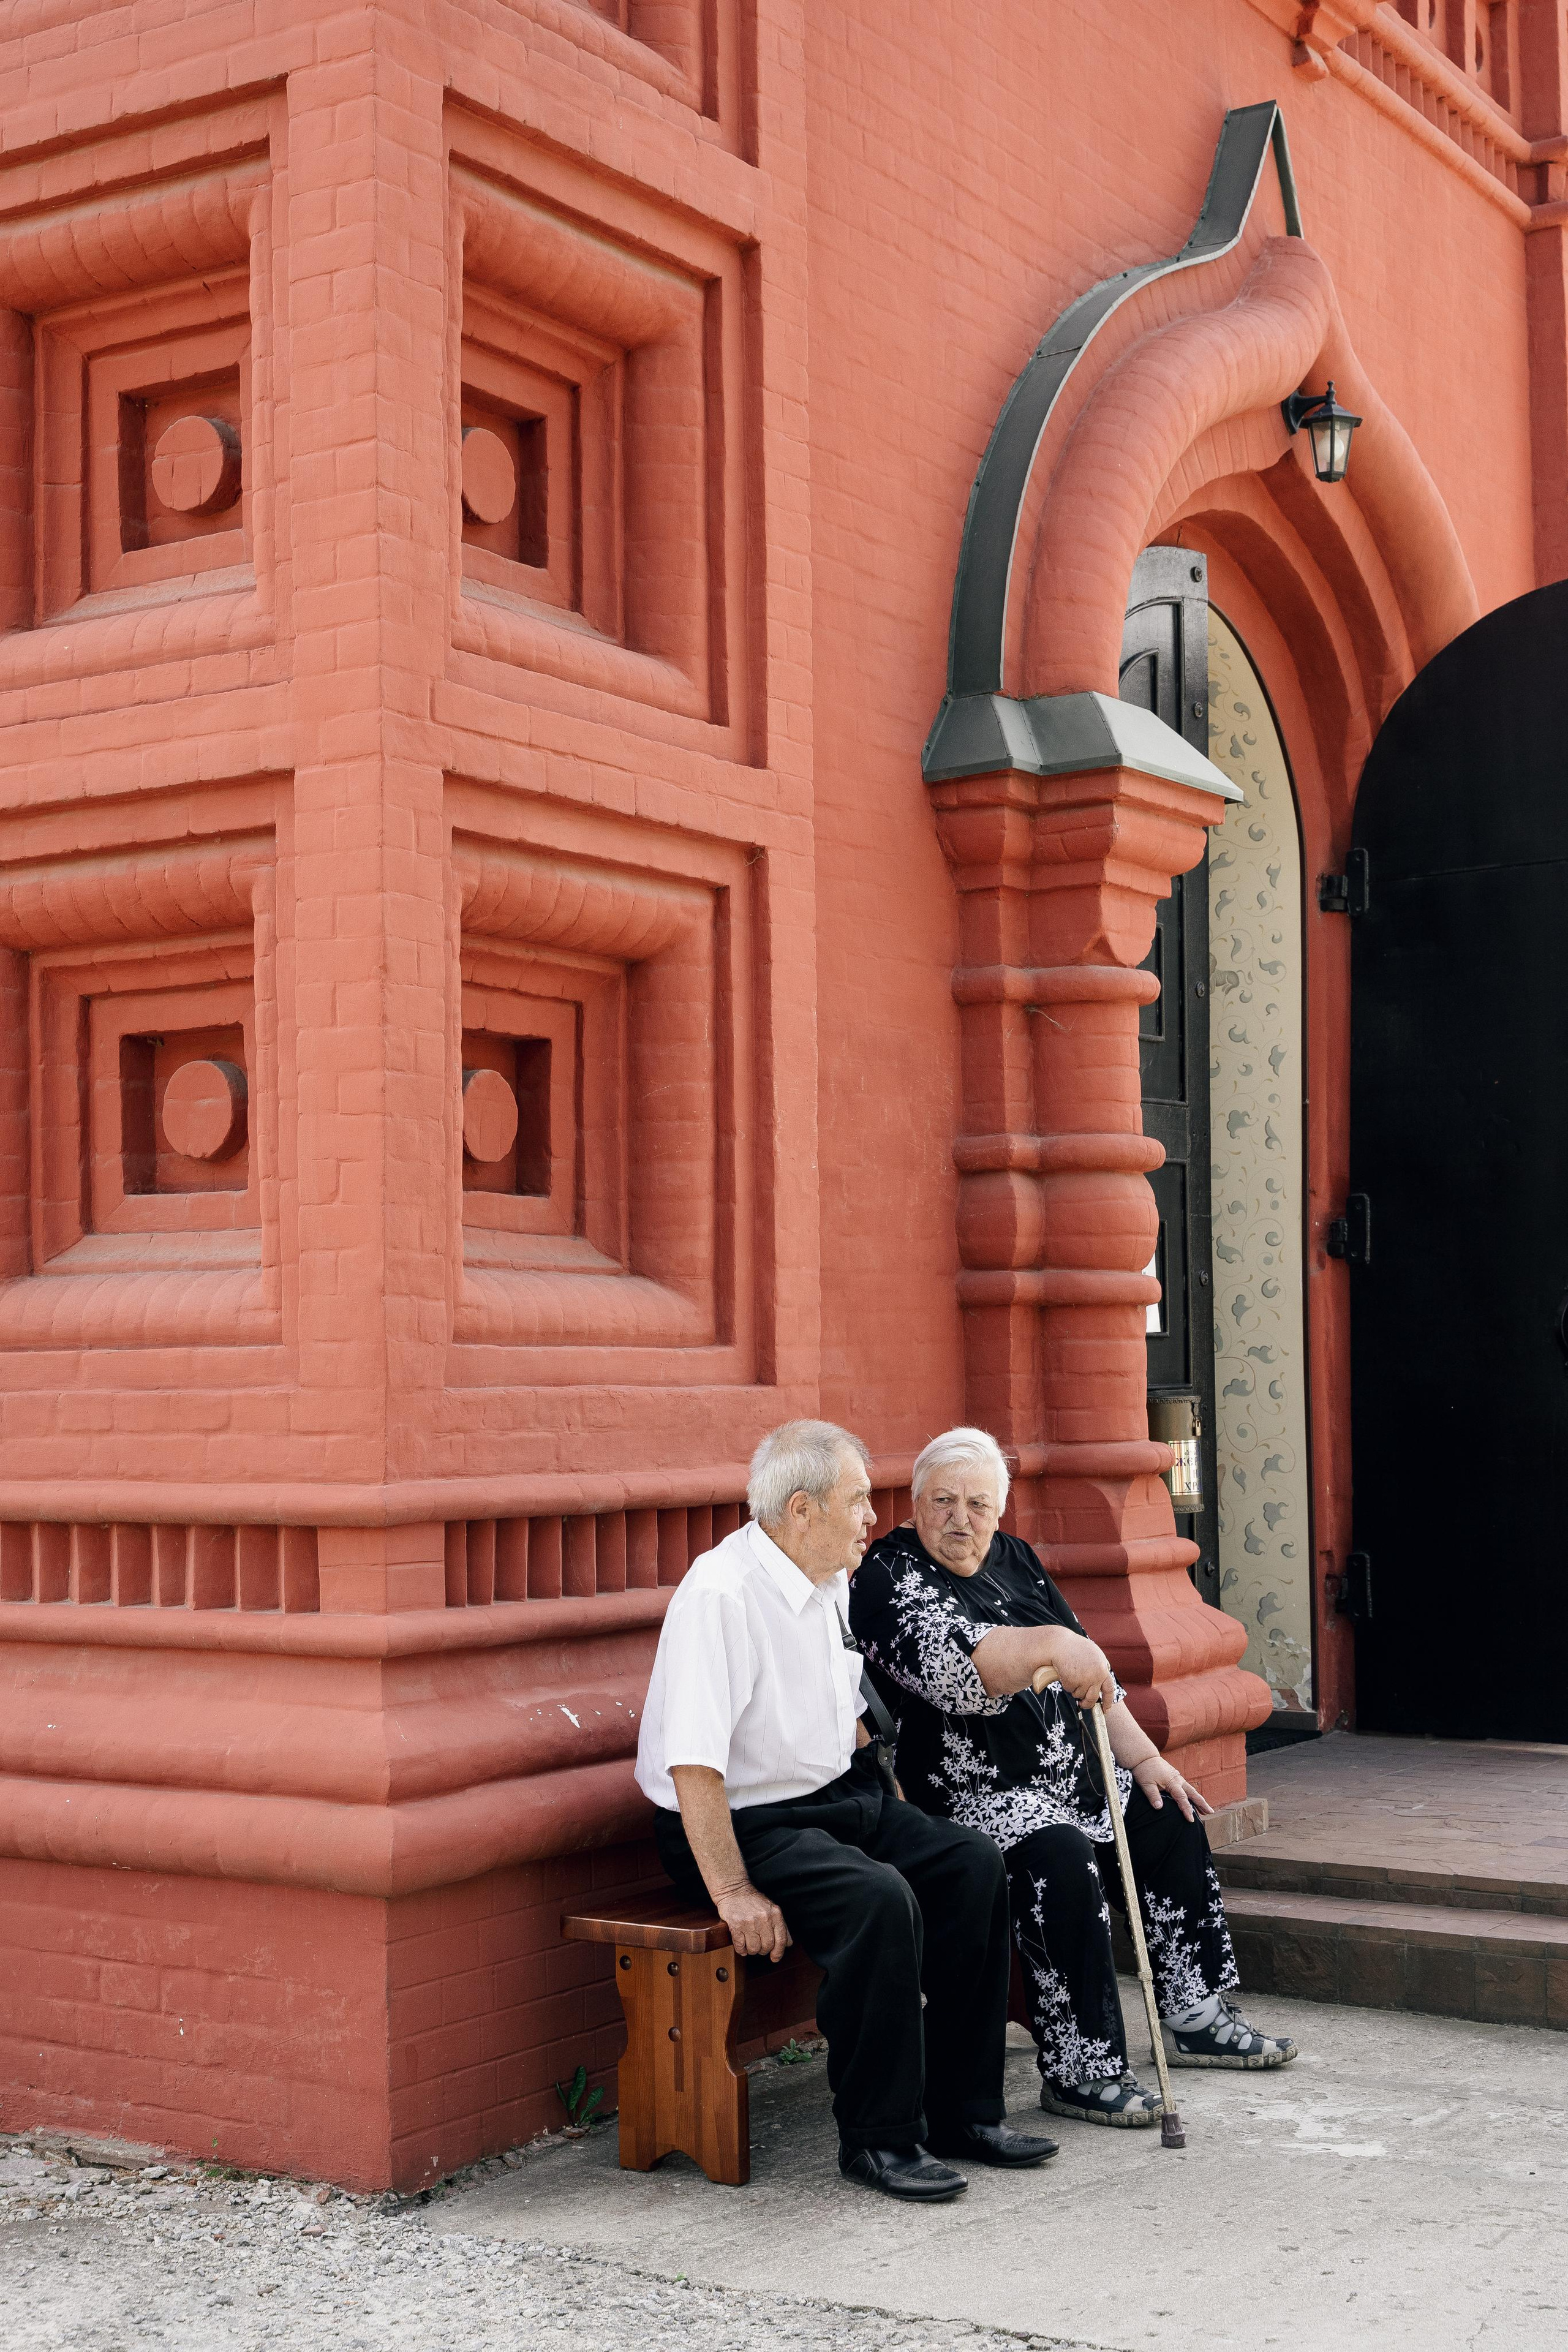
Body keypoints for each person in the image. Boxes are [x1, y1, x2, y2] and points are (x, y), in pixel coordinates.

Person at [635, 1418, 1058, 2201]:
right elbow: (692, 1765)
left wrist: (895, 1813)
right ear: (801, 1510)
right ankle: (879, 2140)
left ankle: (963, 2114)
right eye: (859, 1500)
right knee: (877, 1900)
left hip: (837, 1797)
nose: (874, 1517)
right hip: (739, 1820)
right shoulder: (721, 1595)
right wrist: (731, 1892)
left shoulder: (826, 1576)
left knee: (969, 1863)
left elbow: (847, 1711)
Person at [848, 1426, 1297, 2128]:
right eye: (942, 1501)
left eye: (977, 1504)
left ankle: (1194, 2015)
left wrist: (1144, 1756)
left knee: (1165, 1810)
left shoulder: (1015, 1559)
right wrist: (1056, 1646)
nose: (959, 1520)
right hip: (971, 1800)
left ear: (1000, 1512)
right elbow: (963, 1676)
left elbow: (1095, 1677)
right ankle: (1081, 2072)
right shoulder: (888, 1577)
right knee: (1056, 1857)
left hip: (1071, 1777)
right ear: (914, 1502)